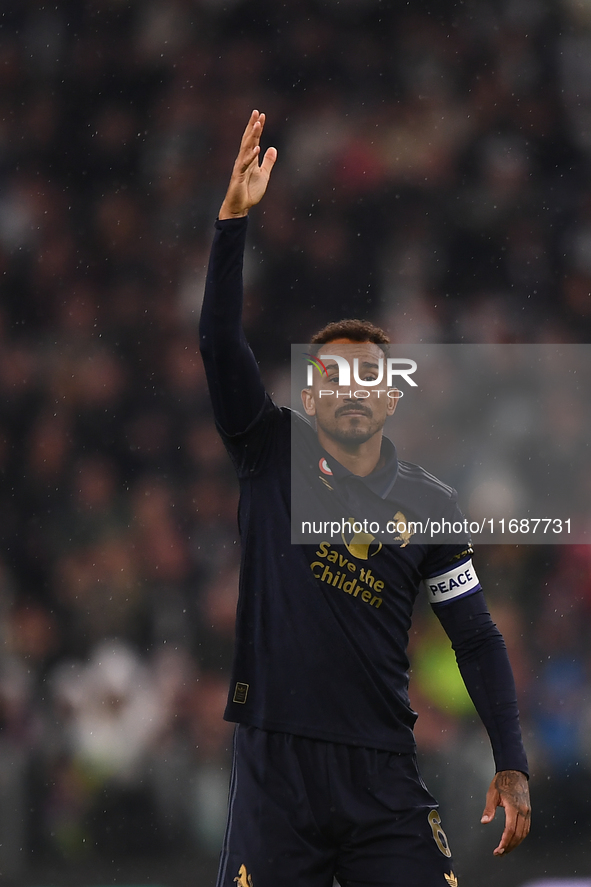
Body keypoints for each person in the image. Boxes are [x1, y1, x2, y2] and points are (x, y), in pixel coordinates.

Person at [199, 110, 531, 887]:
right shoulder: (269, 449)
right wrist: (233, 221)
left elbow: (474, 637)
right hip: (276, 764)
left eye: (369, 377)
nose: (351, 388)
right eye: (332, 377)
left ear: (391, 401)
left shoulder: (432, 504)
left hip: (382, 768)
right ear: (309, 399)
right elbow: (219, 344)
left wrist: (509, 761)